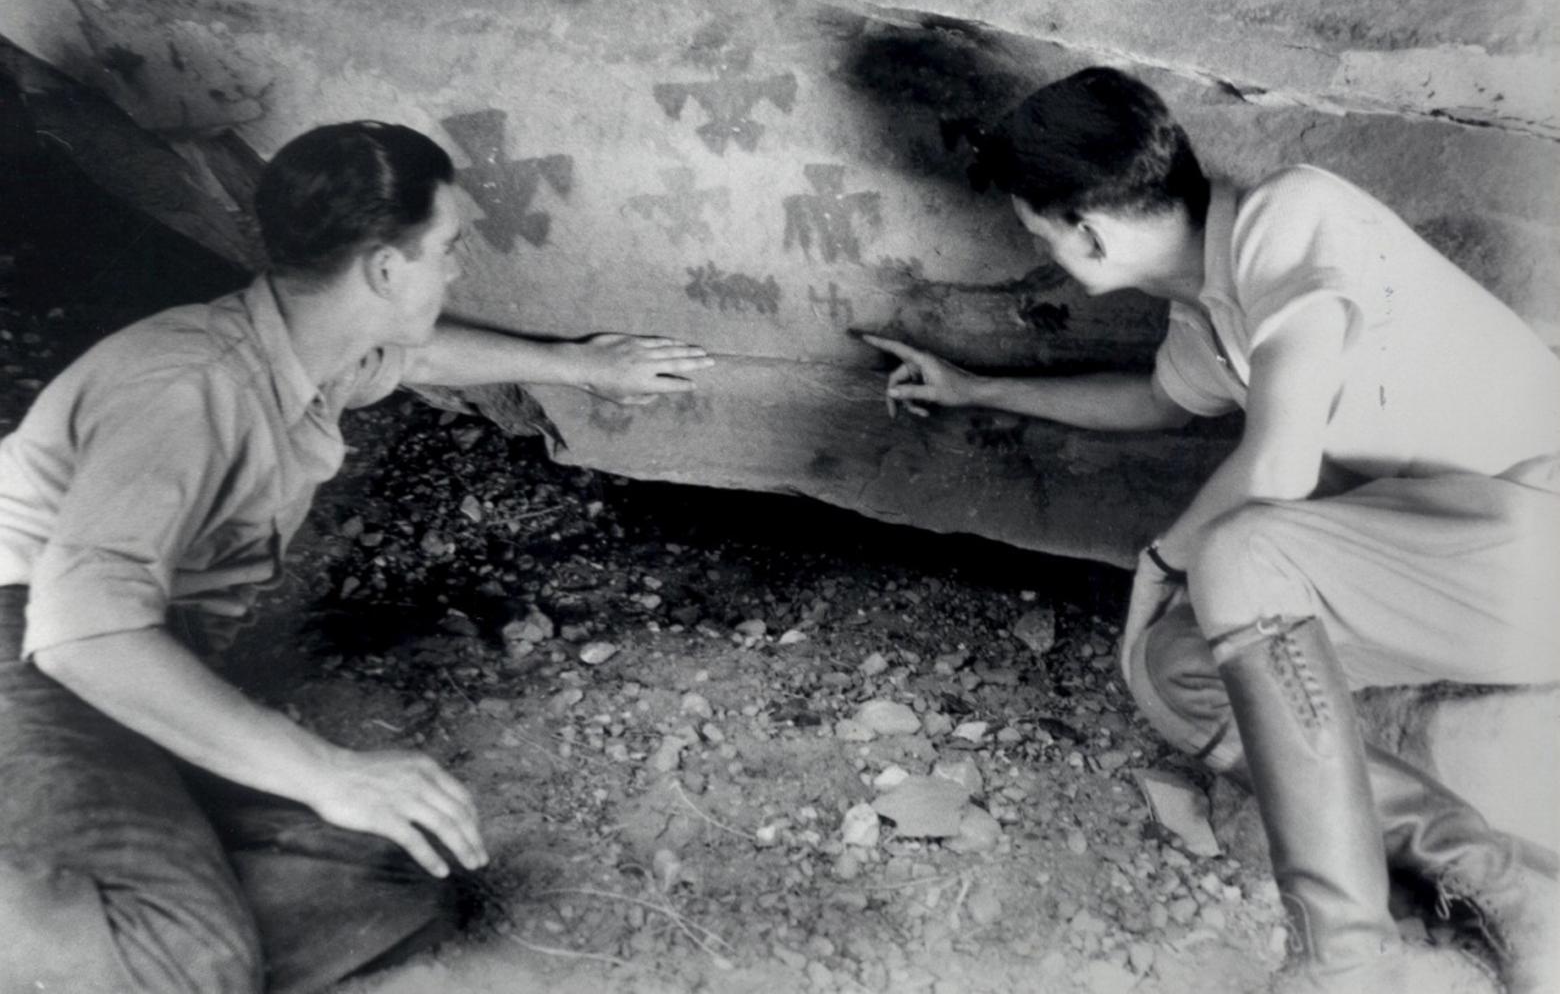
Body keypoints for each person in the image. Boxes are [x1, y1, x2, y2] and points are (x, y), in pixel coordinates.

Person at [861, 67, 1558, 994]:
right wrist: (978, 386)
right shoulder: (1209, 316)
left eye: (1038, 231)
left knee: (1240, 551)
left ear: (1090, 232)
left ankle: (1345, 959)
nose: (1042, 247)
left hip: (1533, 546)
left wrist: (1162, 558)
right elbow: (1155, 401)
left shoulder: (1291, 217)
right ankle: (1502, 882)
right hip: (1450, 579)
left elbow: (1276, 467)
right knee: (1173, 672)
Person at [0, 121, 715, 994]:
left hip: (139, 649)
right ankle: (157, 949)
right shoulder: (186, 386)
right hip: (37, 645)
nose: (456, 269)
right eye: (447, 248)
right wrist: (325, 771)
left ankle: (124, 931)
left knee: (401, 869)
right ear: (384, 270)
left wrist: (574, 366)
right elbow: (82, 635)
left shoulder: (310, 345)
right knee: (189, 959)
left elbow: (409, 351)